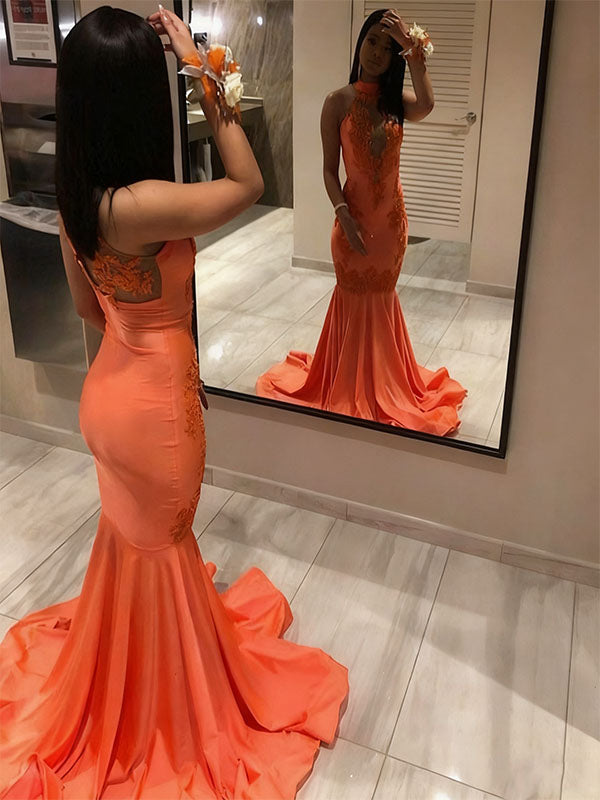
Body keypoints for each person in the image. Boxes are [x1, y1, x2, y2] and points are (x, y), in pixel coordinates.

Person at [0, 6, 349, 798]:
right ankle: (168, 707)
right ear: (136, 101)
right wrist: (202, 70)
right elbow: (250, 183)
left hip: (110, 394)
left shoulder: (78, 197)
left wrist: (143, 335)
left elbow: (89, 311)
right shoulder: (142, 204)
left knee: (136, 549)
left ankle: (135, 677)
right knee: (163, 545)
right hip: (155, 406)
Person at [256, 8, 467, 436]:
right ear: (359, 44)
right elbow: (328, 171)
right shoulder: (337, 102)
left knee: (382, 299)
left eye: (387, 48)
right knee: (352, 299)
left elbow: (428, 103)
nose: (376, 53)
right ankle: (347, 381)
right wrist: (342, 214)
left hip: (391, 226)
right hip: (350, 222)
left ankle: (386, 383)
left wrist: (412, 49)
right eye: (372, 41)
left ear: (394, 57)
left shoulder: (397, 103)